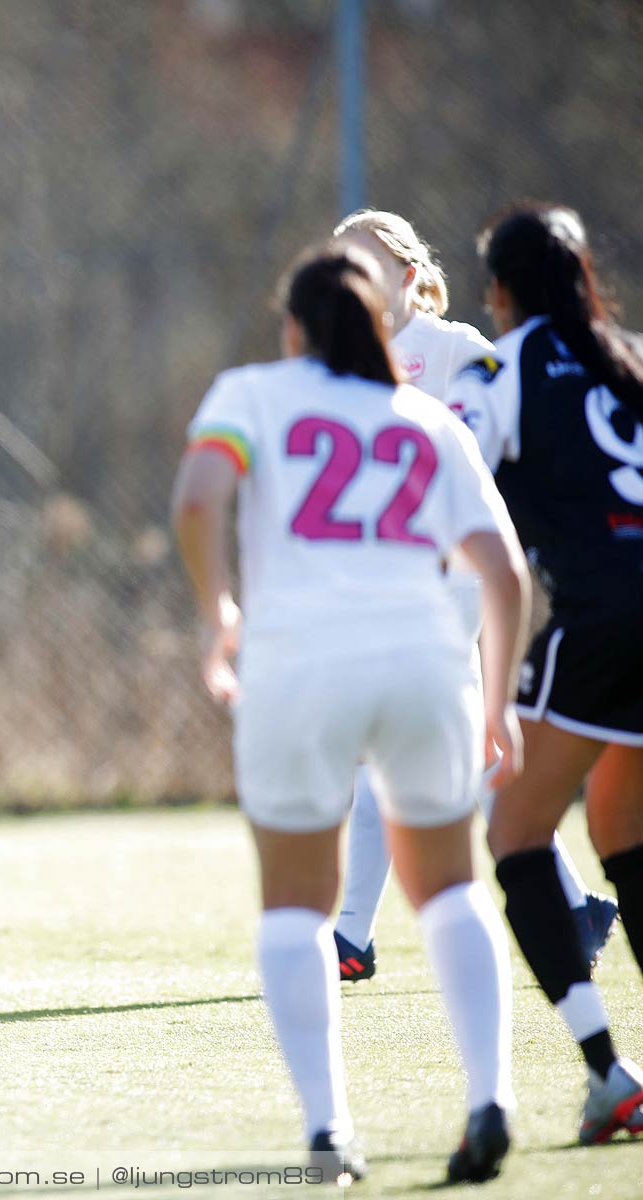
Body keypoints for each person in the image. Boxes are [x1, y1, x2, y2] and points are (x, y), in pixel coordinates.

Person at [172, 245, 529, 1183]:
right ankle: (491, 1098)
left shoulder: (251, 392)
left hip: (299, 666)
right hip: (424, 665)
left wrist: (218, 619)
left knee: (296, 904)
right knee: (453, 888)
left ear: (292, 327)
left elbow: (199, 499)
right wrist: (496, 702)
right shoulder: (425, 416)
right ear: (383, 328)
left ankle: (330, 1131)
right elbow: (504, 572)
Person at [325, 210, 616, 982]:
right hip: (385, 587)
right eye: (341, 263)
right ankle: (572, 900)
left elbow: (508, 449)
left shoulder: (458, 350)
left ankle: (350, 935)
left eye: (368, 260)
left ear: (413, 275)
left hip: (450, 584)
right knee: (434, 749)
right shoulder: (342, 363)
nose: (353, 276)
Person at [454, 203, 643, 1145]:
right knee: (620, 824)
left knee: (518, 831)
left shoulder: (503, 366)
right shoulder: (632, 357)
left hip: (602, 623)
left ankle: (610, 1070)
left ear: (499, 290)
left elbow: (457, 491)